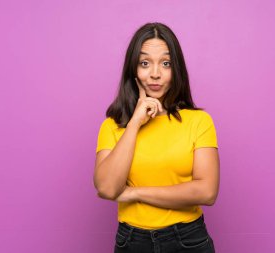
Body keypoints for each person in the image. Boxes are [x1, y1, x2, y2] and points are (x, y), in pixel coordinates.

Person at [93, 22, 220, 253]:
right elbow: (107, 188)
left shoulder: (199, 121)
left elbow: (207, 192)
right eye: (144, 63)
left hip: (188, 240)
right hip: (132, 242)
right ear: (133, 70)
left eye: (165, 63)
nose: (155, 74)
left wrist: (134, 192)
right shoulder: (112, 126)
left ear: (176, 69)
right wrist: (134, 123)